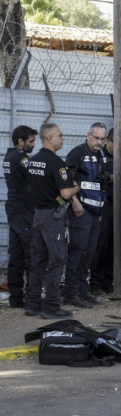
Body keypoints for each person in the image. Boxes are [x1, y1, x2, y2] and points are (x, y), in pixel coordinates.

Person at [25, 123, 79, 319]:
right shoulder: (56, 163)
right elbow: (65, 192)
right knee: (57, 260)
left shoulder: (33, 161)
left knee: (38, 260)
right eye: (60, 135)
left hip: (38, 215)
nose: (62, 138)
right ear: (50, 138)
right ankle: (51, 306)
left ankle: (32, 304)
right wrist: (76, 188)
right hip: (53, 217)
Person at [62, 121, 109, 309]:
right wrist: (75, 201)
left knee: (89, 253)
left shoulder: (102, 155)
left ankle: (82, 291)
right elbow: (66, 178)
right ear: (88, 135)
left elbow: (101, 185)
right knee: (78, 252)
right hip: (80, 211)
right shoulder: (77, 153)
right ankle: (71, 293)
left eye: (102, 139)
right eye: (96, 138)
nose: (99, 142)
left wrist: (100, 211)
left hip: (95, 212)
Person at [3, 125, 37, 309]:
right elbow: (36, 175)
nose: (33, 145)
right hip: (23, 212)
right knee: (30, 255)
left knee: (16, 255)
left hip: (16, 210)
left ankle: (16, 298)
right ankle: (32, 298)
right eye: (31, 142)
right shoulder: (20, 158)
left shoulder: (9, 156)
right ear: (20, 141)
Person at [89, 128, 115, 295]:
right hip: (102, 205)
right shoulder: (99, 156)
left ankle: (108, 282)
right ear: (110, 142)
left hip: (118, 206)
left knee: (114, 246)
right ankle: (96, 283)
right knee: (101, 245)